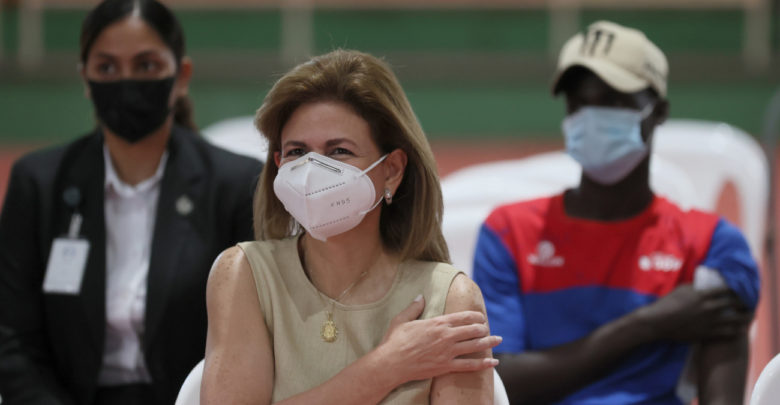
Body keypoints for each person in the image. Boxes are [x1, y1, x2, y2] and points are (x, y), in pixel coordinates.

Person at [473, 20, 760, 404]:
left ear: (658, 112)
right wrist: (648, 324)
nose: (590, 117)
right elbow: (499, 385)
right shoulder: (508, 233)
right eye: (578, 103)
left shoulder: (712, 246)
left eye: (613, 101)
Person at [201, 49, 501, 404]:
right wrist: (385, 368)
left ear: (391, 170)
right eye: (297, 152)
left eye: (339, 152)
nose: (312, 171)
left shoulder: (449, 298)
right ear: (278, 163)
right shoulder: (244, 274)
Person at [0, 1, 262, 404]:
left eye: (146, 65)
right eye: (106, 67)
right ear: (85, 78)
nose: (126, 81)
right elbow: (12, 339)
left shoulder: (235, 185)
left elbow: (253, 337)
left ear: (181, 76)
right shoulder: (39, 183)